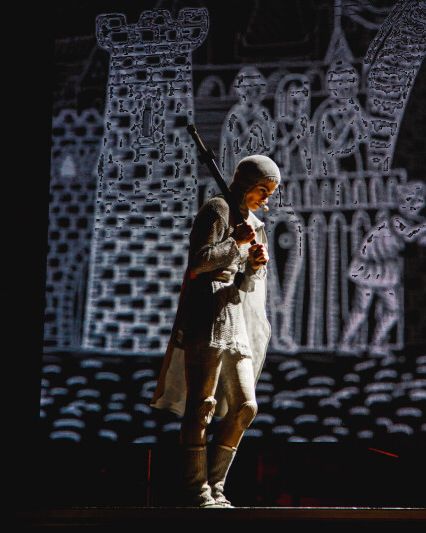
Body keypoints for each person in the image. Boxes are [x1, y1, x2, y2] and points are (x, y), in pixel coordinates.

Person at [151, 155, 280, 507]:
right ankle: (197, 491)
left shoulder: (250, 221)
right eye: (263, 190)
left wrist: (253, 265)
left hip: (234, 313)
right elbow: (199, 262)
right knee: (202, 405)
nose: (265, 199)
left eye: (269, 193)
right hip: (206, 312)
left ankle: (216, 486)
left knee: (245, 407)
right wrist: (236, 243)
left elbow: (244, 282)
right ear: (248, 184)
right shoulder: (218, 209)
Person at [338, 181, 426, 356]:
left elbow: (421, 240)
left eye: (418, 201)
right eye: (407, 200)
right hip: (369, 269)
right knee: (362, 309)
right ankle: (345, 342)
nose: (412, 205)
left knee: (393, 310)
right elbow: (409, 235)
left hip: (386, 271)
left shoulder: (415, 222)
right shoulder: (396, 221)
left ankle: (377, 343)